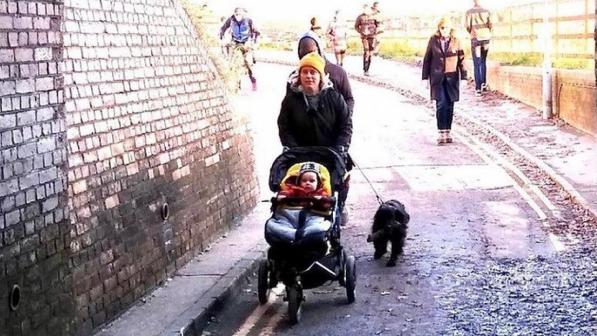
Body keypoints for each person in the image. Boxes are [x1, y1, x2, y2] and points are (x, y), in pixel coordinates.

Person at [278, 52, 352, 220]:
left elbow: (345, 125)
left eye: (313, 72)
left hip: (330, 151)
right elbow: (284, 126)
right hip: (300, 152)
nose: (309, 76)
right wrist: (292, 147)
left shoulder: (334, 98)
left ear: (321, 76)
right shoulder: (291, 101)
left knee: (337, 179)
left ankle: (337, 208)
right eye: (305, 72)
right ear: (299, 75)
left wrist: (340, 148)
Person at [265, 162, 334, 252]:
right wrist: (281, 197)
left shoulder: (321, 193)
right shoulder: (293, 190)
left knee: (318, 226)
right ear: (298, 182)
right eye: (304, 181)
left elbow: (327, 205)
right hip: (290, 216)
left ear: (319, 183)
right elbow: (285, 194)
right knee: (275, 224)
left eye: (312, 181)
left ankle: (299, 236)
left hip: (312, 216)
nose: (307, 183)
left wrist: (322, 200)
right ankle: (295, 236)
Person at [422, 18, 467, 145]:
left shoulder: (456, 41)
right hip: (437, 78)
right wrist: (424, 78)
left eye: (446, 28)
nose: (444, 30)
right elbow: (427, 59)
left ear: (450, 29)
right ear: (439, 29)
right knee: (441, 104)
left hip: (452, 79)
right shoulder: (433, 40)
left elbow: (461, 60)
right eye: (442, 28)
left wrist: (464, 77)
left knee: (449, 105)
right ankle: (441, 132)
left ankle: (448, 131)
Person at [219, 7, 260, 90]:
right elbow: (222, 29)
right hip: (235, 42)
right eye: (236, 14)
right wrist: (221, 36)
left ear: (243, 14)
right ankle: (237, 84)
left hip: (246, 43)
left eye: (239, 14)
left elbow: (257, 32)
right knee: (234, 64)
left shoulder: (248, 20)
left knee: (248, 63)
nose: (238, 16)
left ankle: (253, 80)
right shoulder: (231, 20)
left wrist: (254, 43)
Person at [465, 0, 492, 96]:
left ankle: (478, 89)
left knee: (476, 63)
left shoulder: (469, 12)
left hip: (475, 39)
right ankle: (484, 84)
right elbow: (490, 25)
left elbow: (467, 26)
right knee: (483, 61)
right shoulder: (487, 11)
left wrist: (472, 32)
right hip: (486, 39)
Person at [354, 3, 378, 76]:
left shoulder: (373, 17)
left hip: (372, 36)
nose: (365, 10)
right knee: (366, 52)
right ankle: (365, 69)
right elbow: (356, 26)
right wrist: (361, 32)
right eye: (364, 8)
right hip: (364, 37)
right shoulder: (360, 17)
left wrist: (375, 32)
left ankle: (368, 68)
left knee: (370, 53)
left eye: (366, 8)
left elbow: (378, 25)